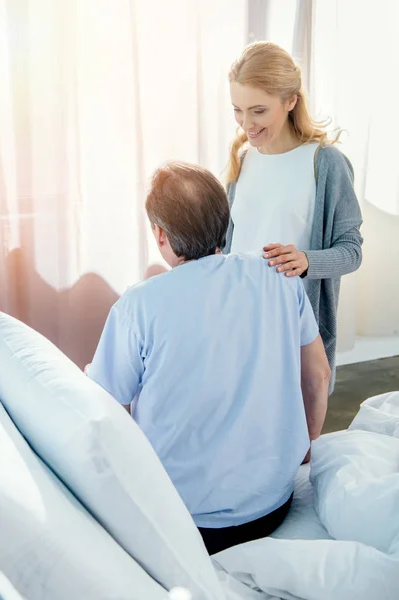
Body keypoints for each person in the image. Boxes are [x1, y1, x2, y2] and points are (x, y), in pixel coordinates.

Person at [88, 161, 331, 555]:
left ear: (160, 235)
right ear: (225, 220)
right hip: (273, 503)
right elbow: (318, 375)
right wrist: (308, 444)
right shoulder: (279, 275)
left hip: (187, 520)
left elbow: (105, 409)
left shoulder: (138, 306)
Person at [225, 41, 363, 392]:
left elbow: (351, 251)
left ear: (290, 101)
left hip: (293, 329)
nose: (246, 124)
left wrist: (305, 261)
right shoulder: (242, 158)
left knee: (295, 435)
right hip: (239, 321)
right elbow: (227, 244)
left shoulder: (324, 163)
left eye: (258, 110)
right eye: (238, 110)